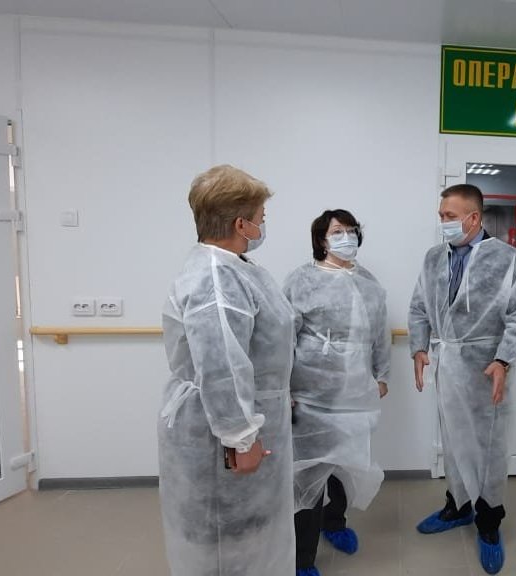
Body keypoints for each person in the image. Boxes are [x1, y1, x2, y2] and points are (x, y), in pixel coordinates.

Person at [158, 165, 296, 576]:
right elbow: (221, 364)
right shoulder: (217, 279)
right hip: (222, 429)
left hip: (247, 417)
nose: (262, 225)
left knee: (249, 538)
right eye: (261, 217)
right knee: (225, 538)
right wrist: (240, 436)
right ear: (241, 223)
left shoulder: (234, 268)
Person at [408, 184, 516, 575]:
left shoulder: (507, 259)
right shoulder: (433, 258)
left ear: (474, 217)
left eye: (450, 216)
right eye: (441, 215)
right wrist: (419, 348)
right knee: (453, 439)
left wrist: (503, 360)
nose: (443, 222)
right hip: (448, 365)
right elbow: (419, 308)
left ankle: (489, 520)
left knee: (489, 446)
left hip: (485, 369)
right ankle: (459, 505)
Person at [283, 209, 390, 576]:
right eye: (338, 231)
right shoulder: (301, 281)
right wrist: (284, 387)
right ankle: (303, 558)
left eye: (352, 230)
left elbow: (380, 333)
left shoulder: (369, 283)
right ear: (322, 240)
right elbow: (284, 339)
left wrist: (382, 374)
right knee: (308, 476)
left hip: (354, 394)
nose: (347, 237)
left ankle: (336, 523)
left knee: (345, 466)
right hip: (310, 397)